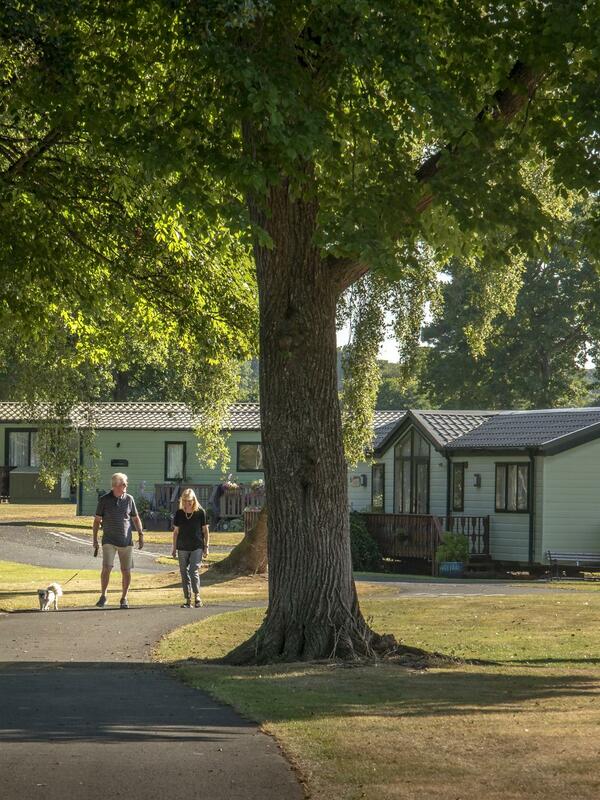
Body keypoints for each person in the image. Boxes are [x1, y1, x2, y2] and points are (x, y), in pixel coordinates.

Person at [92, 472, 144, 609]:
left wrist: (140, 534)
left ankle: (124, 598)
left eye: (126, 483)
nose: (126, 486)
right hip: (109, 539)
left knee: (126, 570)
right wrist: (95, 540)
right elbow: (97, 521)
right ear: (115, 486)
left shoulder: (129, 499)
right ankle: (103, 596)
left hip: (126, 541)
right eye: (123, 484)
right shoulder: (104, 500)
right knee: (107, 568)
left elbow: (135, 518)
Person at [171, 487, 209, 608]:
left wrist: (206, 547)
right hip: (182, 546)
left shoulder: (200, 512)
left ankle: (197, 596)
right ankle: (187, 598)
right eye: (185, 500)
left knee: (193, 570)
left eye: (190, 500)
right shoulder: (179, 513)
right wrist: (173, 548)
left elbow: (205, 531)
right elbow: (176, 532)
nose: (188, 503)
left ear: (194, 500)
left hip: (197, 545)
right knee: (183, 571)